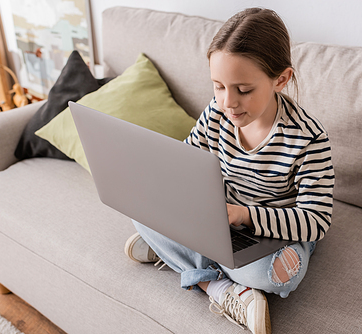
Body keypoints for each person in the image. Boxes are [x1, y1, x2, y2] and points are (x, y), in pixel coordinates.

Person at [124, 7, 334, 334]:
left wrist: (244, 215)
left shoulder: (309, 139)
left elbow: (317, 220)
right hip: (219, 218)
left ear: (281, 79)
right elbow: (189, 157)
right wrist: (159, 179)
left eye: (243, 90)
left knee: (278, 275)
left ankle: (183, 257)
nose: (228, 103)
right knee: (135, 203)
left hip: (273, 232)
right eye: (218, 86)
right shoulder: (217, 113)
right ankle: (221, 287)